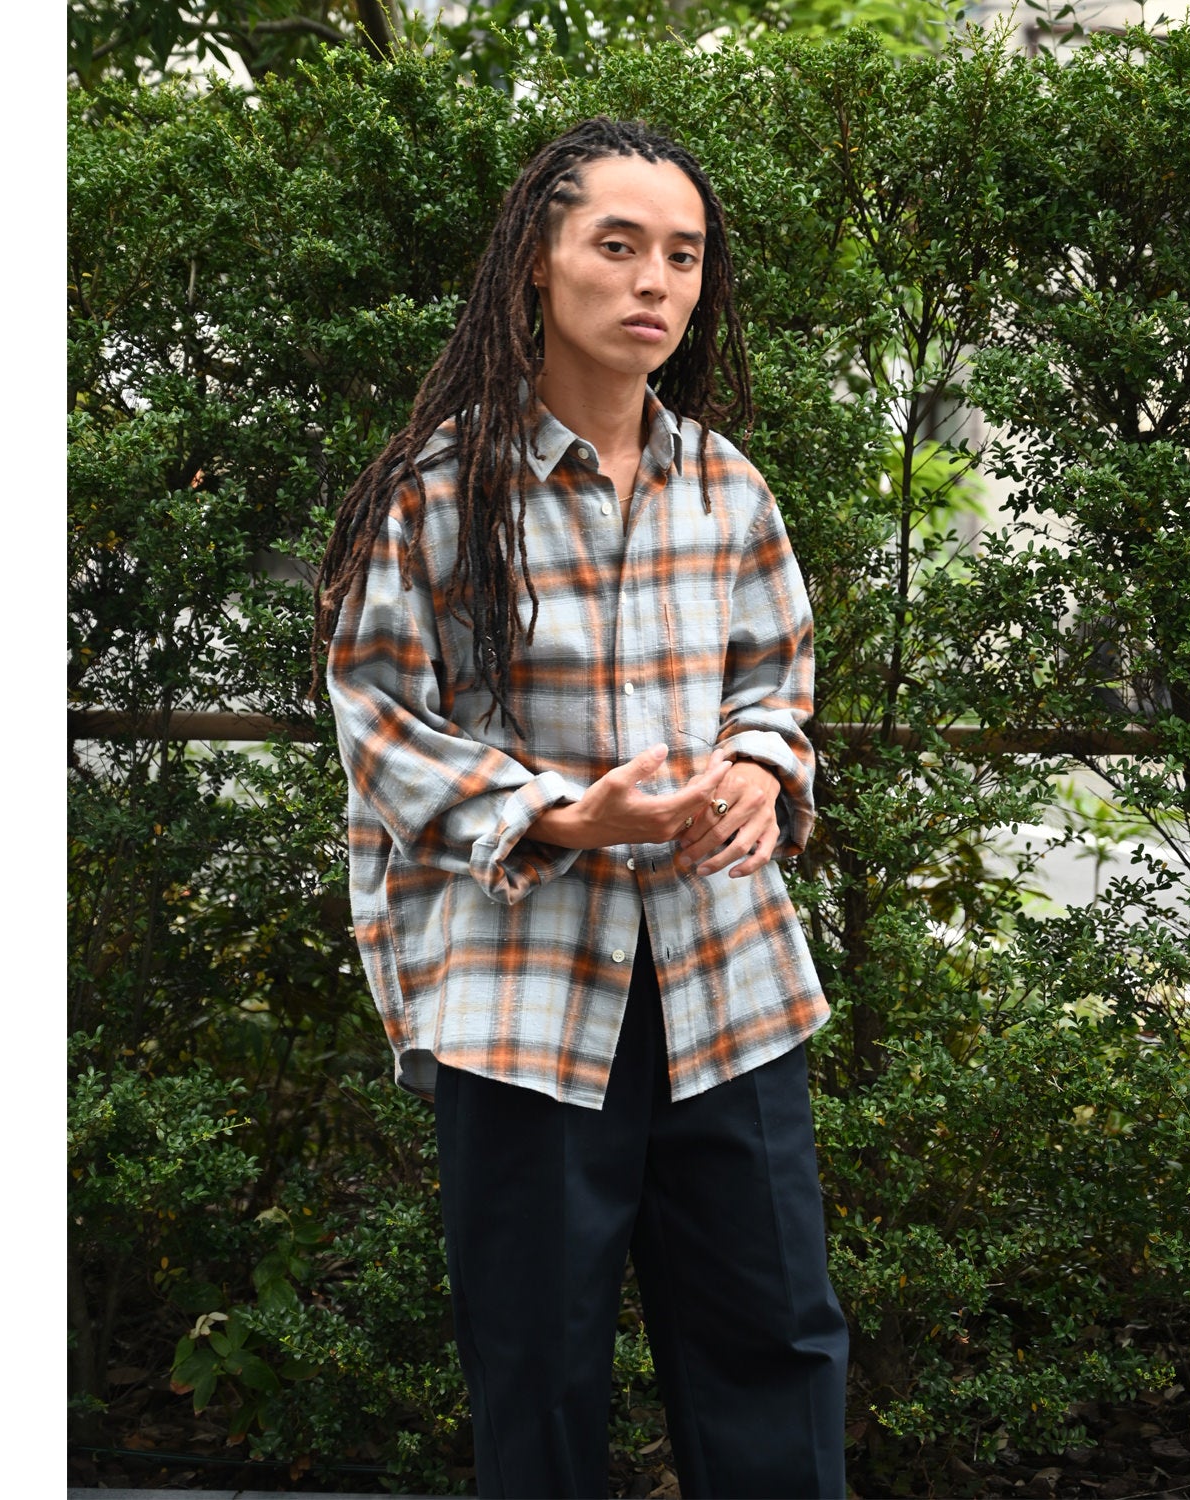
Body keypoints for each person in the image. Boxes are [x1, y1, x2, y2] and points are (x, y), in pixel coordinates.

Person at [315, 116, 849, 1500]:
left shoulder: (728, 489)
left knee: (779, 1347)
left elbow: (776, 683)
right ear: (535, 267)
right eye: (617, 245)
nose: (654, 281)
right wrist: (561, 816)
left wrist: (759, 769)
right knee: (539, 1373)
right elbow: (378, 722)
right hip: (528, 1002)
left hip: (728, 984)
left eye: (683, 254)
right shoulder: (440, 497)